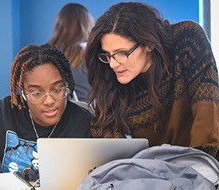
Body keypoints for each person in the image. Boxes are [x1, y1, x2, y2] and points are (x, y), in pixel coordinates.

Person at [0, 43, 94, 188]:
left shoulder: (86, 122)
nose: (49, 100)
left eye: (57, 89)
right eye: (36, 93)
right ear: (23, 93)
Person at [85, 2, 219, 161]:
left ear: (149, 44)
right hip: (150, 176)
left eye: (122, 53)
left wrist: (197, 169)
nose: (113, 63)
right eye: (107, 54)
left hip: (200, 167)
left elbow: (208, 119)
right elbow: (109, 149)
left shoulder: (187, 40)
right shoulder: (109, 75)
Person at [48, 3, 95, 102]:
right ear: (87, 26)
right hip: (87, 112)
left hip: (50, 111)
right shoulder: (90, 52)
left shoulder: (43, 53)